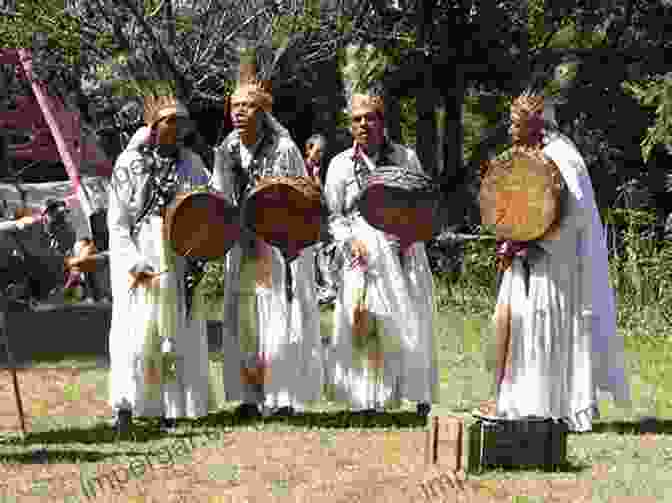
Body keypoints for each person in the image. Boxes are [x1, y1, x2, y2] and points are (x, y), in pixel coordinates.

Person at [484, 92, 630, 432]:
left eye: (515, 123)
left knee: (545, 322)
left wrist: (525, 244)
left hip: (556, 265)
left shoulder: (562, 158)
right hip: (529, 254)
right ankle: (521, 400)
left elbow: (570, 220)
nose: (509, 129)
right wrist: (511, 238)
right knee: (519, 324)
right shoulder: (532, 155)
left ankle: (554, 404)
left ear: (535, 126)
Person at [323, 85, 438, 417]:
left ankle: (417, 392)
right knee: (364, 318)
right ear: (349, 125)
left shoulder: (405, 157)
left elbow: (422, 203)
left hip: (402, 245)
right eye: (357, 119)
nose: (363, 125)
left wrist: (410, 233)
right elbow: (335, 215)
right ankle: (365, 398)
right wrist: (349, 241)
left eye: (370, 118)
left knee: (409, 317)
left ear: (382, 122)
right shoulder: (340, 165)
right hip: (361, 251)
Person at [211, 77, 322, 418]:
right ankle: (249, 395)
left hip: (275, 242)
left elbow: (303, 196)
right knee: (244, 317)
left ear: (263, 113)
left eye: (246, 106)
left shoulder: (284, 148)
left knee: (277, 313)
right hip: (240, 242)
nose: (238, 112)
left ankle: (281, 395)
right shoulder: (227, 148)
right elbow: (219, 193)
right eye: (234, 106)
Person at [106, 94, 211, 434]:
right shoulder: (129, 163)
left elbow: (204, 207)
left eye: (182, 121)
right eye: (170, 120)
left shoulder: (193, 164)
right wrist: (133, 261)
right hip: (141, 252)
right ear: (153, 126)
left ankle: (170, 407)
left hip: (177, 252)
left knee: (172, 329)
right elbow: (118, 221)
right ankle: (125, 406)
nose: (177, 127)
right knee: (134, 330)